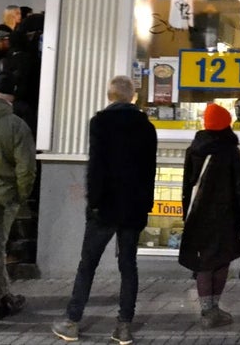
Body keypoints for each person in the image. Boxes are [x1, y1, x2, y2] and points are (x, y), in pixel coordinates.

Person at [52, 76, 158, 344]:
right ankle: (124, 326)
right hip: (133, 208)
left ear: (110, 96)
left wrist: (94, 204)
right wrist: (145, 206)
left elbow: (96, 167)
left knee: (87, 265)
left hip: (106, 207)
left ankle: (72, 321)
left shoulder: (100, 123)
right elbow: (149, 172)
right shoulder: (147, 128)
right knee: (128, 266)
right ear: (132, 97)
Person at [178, 103, 240, 328]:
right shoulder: (230, 151)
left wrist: (186, 215)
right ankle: (215, 309)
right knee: (221, 262)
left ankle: (206, 310)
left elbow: (186, 185)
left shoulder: (194, 148)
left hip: (199, 216)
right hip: (226, 216)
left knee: (204, 263)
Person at [0, 73, 36, 331]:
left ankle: (6, 299)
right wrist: (20, 197)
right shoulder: (16, 126)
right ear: (11, 98)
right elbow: (26, 170)